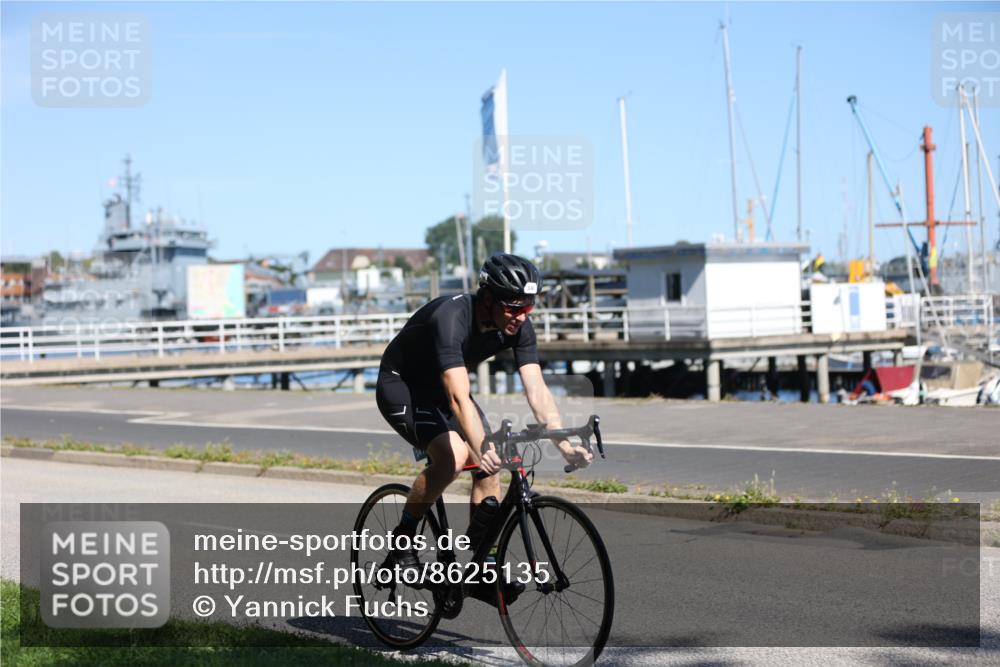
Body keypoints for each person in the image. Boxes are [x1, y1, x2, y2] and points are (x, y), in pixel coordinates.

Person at [375, 252, 593, 601]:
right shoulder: (452, 317)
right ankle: (403, 542)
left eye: (529, 307)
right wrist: (481, 447)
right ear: (488, 297)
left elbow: (536, 388)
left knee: (492, 468)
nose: (521, 316)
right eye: (513, 307)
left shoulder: (518, 325)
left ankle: (482, 567)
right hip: (403, 386)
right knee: (455, 456)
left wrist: (564, 444)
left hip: (445, 391)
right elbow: (461, 399)